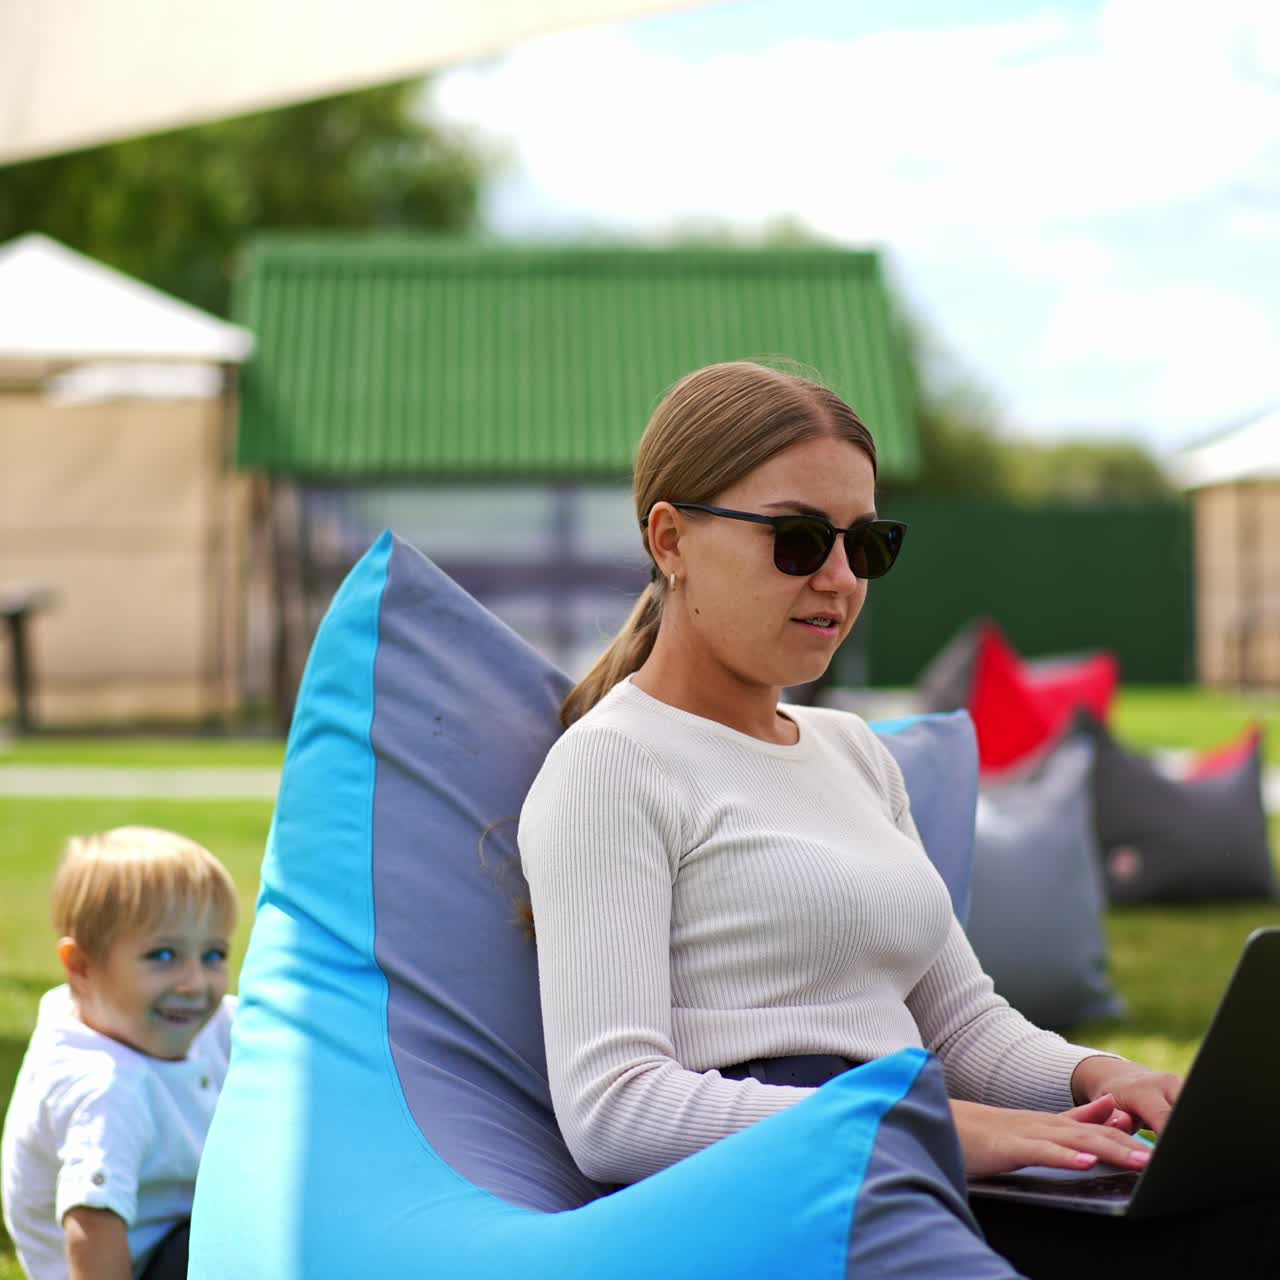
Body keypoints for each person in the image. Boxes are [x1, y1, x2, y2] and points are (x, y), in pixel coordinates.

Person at [517, 361, 1274, 1278]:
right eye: (796, 540)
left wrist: (1099, 1078)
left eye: (864, 544)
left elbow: (962, 1031)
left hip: (908, 1155)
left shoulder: (855, 754)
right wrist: (919, 1127)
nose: (838, 578)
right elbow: (614, 1110)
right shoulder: (611, 765)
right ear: (671, 540)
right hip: (766, 1186)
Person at [1, 826, 238, 1280]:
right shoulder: (104, 1089)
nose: (195, 983)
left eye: (213, 955)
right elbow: (92, 1230)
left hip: (180, 1233)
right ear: (82, 966)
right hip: (136, 1265)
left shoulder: (180, 1017)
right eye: (164, 955)